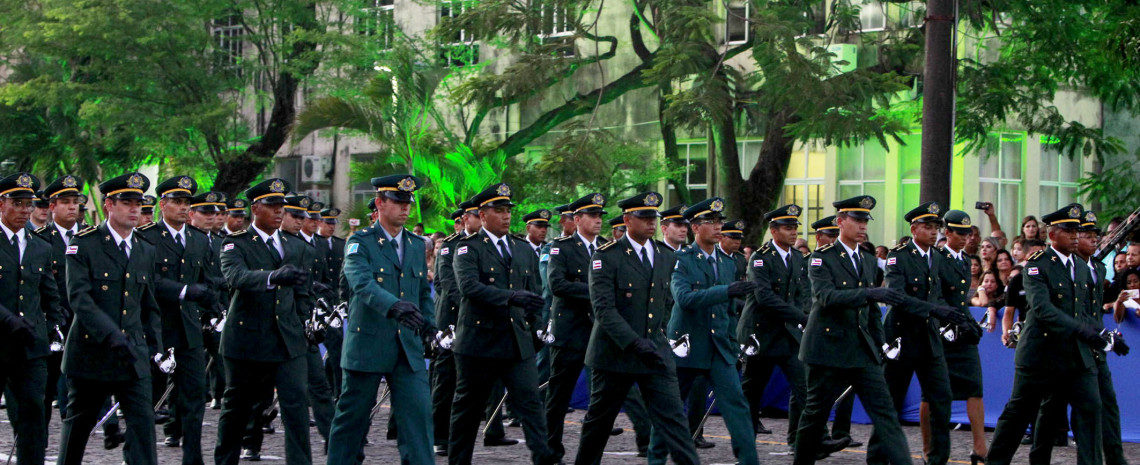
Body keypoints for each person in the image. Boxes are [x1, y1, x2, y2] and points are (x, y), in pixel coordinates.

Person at [572, 191, 699, 465]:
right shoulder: (607, 255)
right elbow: (604, 309)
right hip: (615, 354)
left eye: (654, 217)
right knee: (599, 422)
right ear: (628, 220)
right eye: (644, 217)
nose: (651, 223)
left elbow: (665, 302)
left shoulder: (665, 255)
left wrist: (658, 335)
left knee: (674, 419)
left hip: (654, 352)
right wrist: (633, 341)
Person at [986, 204, 1115, 465]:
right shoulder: (1037, 265)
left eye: (1077, 231)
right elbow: (1043, 309)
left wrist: (1101, 332)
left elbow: (1083, 310)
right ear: (1053, 234)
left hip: (1074, 357)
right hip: (1040, 355)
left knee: (1091, 408)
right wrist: (1082, 329)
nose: (1075, 236)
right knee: (1019, 414)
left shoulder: (1081, 267)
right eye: (1069, 231)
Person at [792, 195, 913, 465]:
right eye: (857, 220)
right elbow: (826, 296)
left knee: (885, 413)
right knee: (815, 414)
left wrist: (880, 344)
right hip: (827, 348)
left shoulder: (868, 260)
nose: (863, 226)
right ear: (840, 222)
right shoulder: (821, 258)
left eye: (865, 221)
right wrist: (869, 293)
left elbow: (871, 312)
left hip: (861, 350)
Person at [326, 175, 435, 465]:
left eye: (407, 202)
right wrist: (394, 306)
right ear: (379, 203)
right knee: (352, 420)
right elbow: (361, 284)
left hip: (407, 347)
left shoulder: (415, 244)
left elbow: (422, 291)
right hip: (368, 342)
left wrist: (430, 327)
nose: (405, 208)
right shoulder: (360, 242)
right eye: (398, 202)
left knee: (418, 418)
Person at [57, 172, 164, 465]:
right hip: (92, 352)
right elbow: (80, 299)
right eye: (126, 202)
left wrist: (156, 348)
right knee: (78, 427)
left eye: (138, 204)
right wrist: (111, 334)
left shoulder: (145, 248)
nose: (134, 209)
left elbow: (148, 303)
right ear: (108, 205)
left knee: (143, 427)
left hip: (132, 354)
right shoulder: (85, 244)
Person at [448, 183, 556, 464]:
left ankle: (543, 458)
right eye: (499, 210)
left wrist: (536, 328)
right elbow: (469, 287)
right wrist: (511, 297)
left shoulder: (523, 249)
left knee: (531, 405)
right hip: (479, 342)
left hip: (516, 341)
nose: (506, 215)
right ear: (483, 215)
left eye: (508, 210)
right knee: (468, 409)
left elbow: (534, 293)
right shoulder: (468, 248)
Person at [646, 198, 758, 465]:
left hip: (719, 346)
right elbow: (684, 298)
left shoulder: (728, 262)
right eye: (710, 222)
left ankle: (749, 460)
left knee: (736, 404)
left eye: (720, 221)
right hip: (687, 344)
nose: (718, 227)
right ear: (695, 227)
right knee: (672, 407)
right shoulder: (681, 259)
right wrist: (725, 291)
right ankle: (655, 458)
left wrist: (733, 344)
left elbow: (729, 312)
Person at [213, 178, 314, 465]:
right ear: (255, 208)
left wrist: (304, 321)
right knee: (238, 408)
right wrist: (272, 277)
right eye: (272, 205)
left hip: (287, 340)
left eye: (282, 206)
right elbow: (237, 277)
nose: (279, 211)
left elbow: (303, 292)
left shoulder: (295, 246)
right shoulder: (236, 243)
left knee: (296, 407)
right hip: (248, 339)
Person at [1031, 209, 1129, 465]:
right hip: (1068, 347)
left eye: (1094, 234)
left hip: (1094, 347)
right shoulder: (1064, 268)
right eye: (1086, 234)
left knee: (1103, 406)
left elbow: (1092, 311)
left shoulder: (1096, 267)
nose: (1092, 239)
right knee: (1052, 409)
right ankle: (1039, 458)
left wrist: (1105, 335)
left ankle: (1113, 459)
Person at [134, 176, 221, 464]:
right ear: (163, 205)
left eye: (187, 202)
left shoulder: (198, 239)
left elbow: (206, 279)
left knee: (194, 399)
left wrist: (213, 305)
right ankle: (137, 456)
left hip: (189, 331)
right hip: (156, 329)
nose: (184, 207)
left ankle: (192, 459)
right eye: (178, 202)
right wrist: (183, 291)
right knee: (146, 399)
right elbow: (147, 281)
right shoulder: (147, 237)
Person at [871, 201, 966, 465]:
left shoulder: (938, 257)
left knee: (942, 398)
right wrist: (935, 310)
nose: (934, 231)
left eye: (936, 227)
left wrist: (955, 315)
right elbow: (896, 297)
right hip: (902, 338)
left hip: (930, 339)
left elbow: (943, 292)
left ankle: (937, 458)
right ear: (914, 229)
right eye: (928, 226)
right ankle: (877, 458)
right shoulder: (898, 256)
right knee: (891, 401)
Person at [739, 204, 831, 452]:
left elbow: (803, 292)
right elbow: (764, 297)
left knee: (805, 386)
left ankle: (816, 439)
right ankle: (746, 446)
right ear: (773, 230)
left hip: (789, 334)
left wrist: (808, 316)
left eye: (794, 227)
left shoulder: (798, 258)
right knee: (752, 392)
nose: (793, 232)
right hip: (761, 334)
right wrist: (800, 316)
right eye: (787, 227)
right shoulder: (760, 258)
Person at [0, 173, 63, 465]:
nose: (25, 210)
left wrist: (53, 327)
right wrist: (8, 320)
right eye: (18, 203)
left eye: (29, 204)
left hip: (30, 346)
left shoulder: (40, 247)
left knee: (34, 415)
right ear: (2, 204)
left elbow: (49, 294)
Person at [430, 202, 484, 456]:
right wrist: (472, 308)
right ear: (464, 219)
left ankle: (464, 436)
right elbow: (448, 285)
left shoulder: (485, 244)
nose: (480, 220)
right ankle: (440, 435)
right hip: (453, 318)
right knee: (447, 378)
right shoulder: (449, 246)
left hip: (478, 320)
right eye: (476, 215)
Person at [935, 209, 988, 462]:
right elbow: (936, 297)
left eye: (968, 232)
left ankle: (980, 447)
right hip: (942, 332)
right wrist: (952, 319)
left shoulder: (966, 260)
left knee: (975, 388)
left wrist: (970, 323)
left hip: (962, 332)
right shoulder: (937, 258)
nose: (966, 237)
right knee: (935, 394)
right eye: (960, 232)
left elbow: (962, 298)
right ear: (947, 232)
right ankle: (931, 448)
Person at [33, 175, 84, 429]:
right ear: (52, 206)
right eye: (65, 202)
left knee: (81, 382)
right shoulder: (41, 239)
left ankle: (75, 431)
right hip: (53, 321)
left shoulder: (90, 237)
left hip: (83, 320)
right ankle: (39, 439)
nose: (72, 207)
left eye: (75, 202)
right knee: (47, 383)